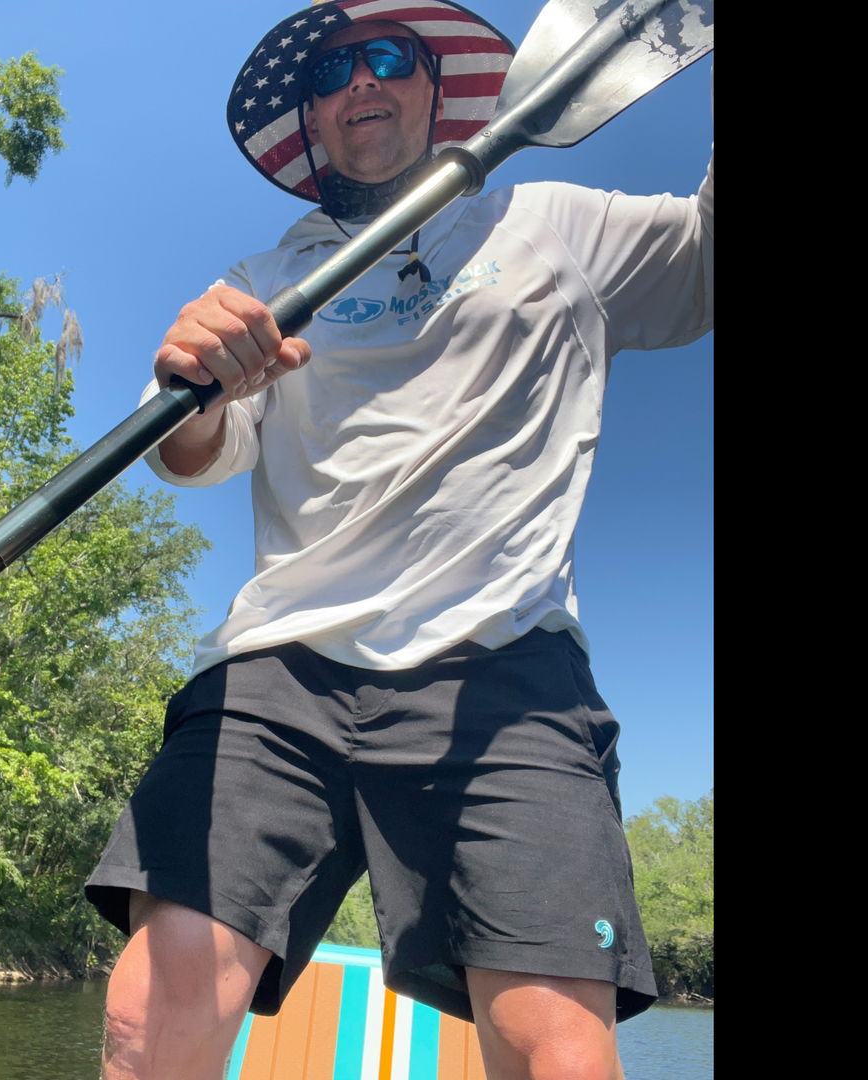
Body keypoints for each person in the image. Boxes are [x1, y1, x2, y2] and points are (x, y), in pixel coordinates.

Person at [87, 2, 713, 1077]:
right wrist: (192, 381)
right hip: (278, 669)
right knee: (154, 1012)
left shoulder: (556, 223)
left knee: (555, 1045)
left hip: (508, 667)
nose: (360, 82)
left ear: (435, 91)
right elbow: (193, 450)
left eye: (388, 58)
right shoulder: (262, 279)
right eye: (331, 73)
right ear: (314, 125)